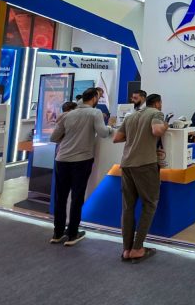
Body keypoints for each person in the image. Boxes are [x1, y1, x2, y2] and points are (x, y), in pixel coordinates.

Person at [50, 87, 114, 246]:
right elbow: (103, 133)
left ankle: (57, 233)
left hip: (62, 159)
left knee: (60, 197)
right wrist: (110, 127)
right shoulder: (95, 113)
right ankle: (72, 234)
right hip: (81, 160)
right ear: (94, 98)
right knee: (77, 197)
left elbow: (54, 137)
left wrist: (69, 140)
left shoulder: (68, 114)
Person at [113, 93, 168, 263]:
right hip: (145, 165)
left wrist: (135, 136)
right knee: (150, 204)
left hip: (126, 164)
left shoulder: (131, 116)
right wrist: (165, 126)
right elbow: (157, 130)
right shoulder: (156, 113)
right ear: (157, 104)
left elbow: (117, 138)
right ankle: (137, 248)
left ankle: (127, 249)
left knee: (128, 207)